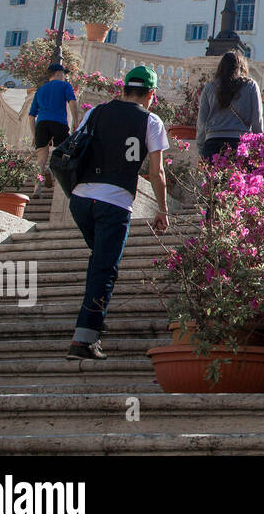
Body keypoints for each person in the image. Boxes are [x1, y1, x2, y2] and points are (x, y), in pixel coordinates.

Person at [66, 66, 169, 360]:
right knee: (104, 268)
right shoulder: (150, 120)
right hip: (114, 203)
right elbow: (156, 171)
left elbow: (76, 145)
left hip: (81, 200)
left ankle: (92, 319)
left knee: (99, 262)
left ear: (122, 89)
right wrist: (162, 209)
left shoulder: (95, 112)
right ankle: (84, 339)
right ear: (152, 94)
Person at [196, 50, 264, 161]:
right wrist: (259, 147)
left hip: (212, 144)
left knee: (214, 178)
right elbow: (257, 120)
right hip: (239, 144)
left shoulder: (209, 87)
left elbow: (201, 122)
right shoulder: (250, 86)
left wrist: (201, 148)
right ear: (242, 67)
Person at [30, 63, 79, 190]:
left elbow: (31, 115)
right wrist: (76, 122)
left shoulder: (40, 90)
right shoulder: (65, 86)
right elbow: (72, 103)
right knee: (64, 151)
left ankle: (37, 186)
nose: (64, 76)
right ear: (58, 73)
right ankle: (51, 170)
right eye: (63, 73)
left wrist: (34, 134)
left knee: (41, 159)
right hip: (59, 123)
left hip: (41, 124)